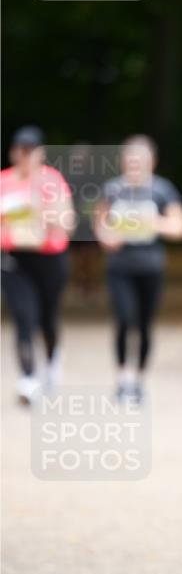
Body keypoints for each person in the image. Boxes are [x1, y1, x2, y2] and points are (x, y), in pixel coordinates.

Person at [94, 135, 182, 403]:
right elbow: (100, 223)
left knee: (145, 325)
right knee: (125, 320)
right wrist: (108, 237)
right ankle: (122, 380)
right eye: (130, 160)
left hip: (151, 267)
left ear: (152, 162)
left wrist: (152, 222)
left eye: (140, 161)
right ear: (123, 161)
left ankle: (138, 381)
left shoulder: (162, 190)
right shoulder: (113, 189)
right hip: (120, 267)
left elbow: (180, 228)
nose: (135, 165)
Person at [0, 126, 75, 404]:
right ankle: (28, 379)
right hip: (14, 259)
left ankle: (53, 361)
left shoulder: (52, 181)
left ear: (40, 154)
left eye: (30, 151)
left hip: (49, 259)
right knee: (23, 317)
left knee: (47, 319)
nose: (25, 156)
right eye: (20, 151)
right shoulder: (4, 181)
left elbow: (67, 223)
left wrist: (40, 211)